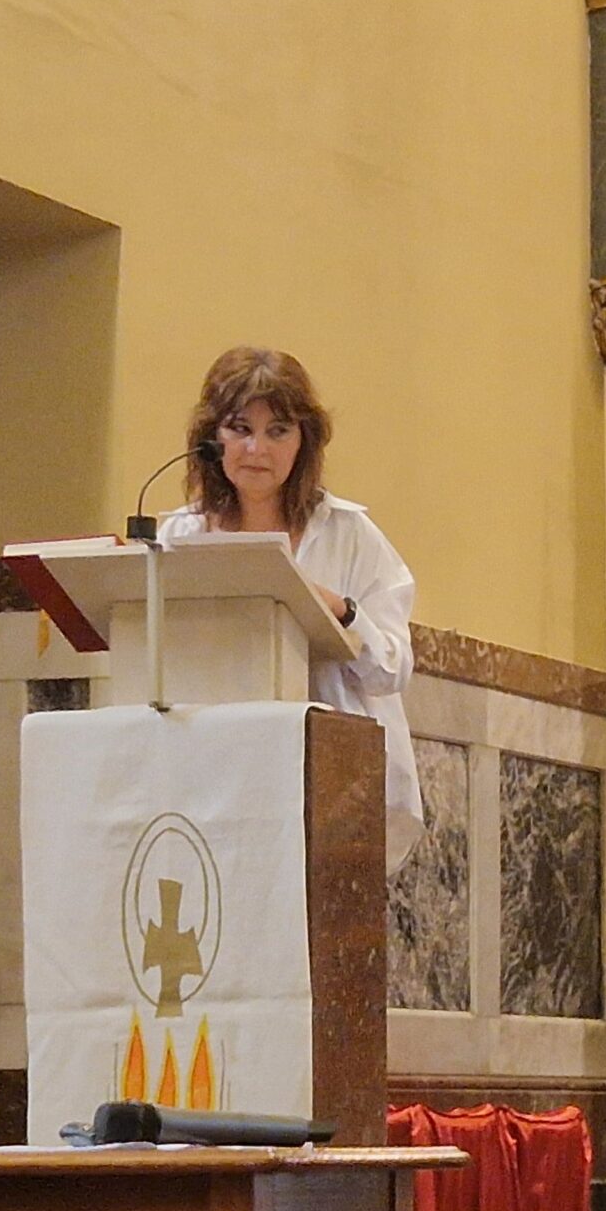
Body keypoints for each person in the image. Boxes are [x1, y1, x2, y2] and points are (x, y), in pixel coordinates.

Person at [160, 347, 423, 870]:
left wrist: (342, 612)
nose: (256, 448)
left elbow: (393, 669)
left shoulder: (348, 534)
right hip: (211, 775)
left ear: (304, 441)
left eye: (278, 431)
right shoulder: (179, 534)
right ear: (212, 438)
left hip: (332, 784)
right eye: (240, 429)